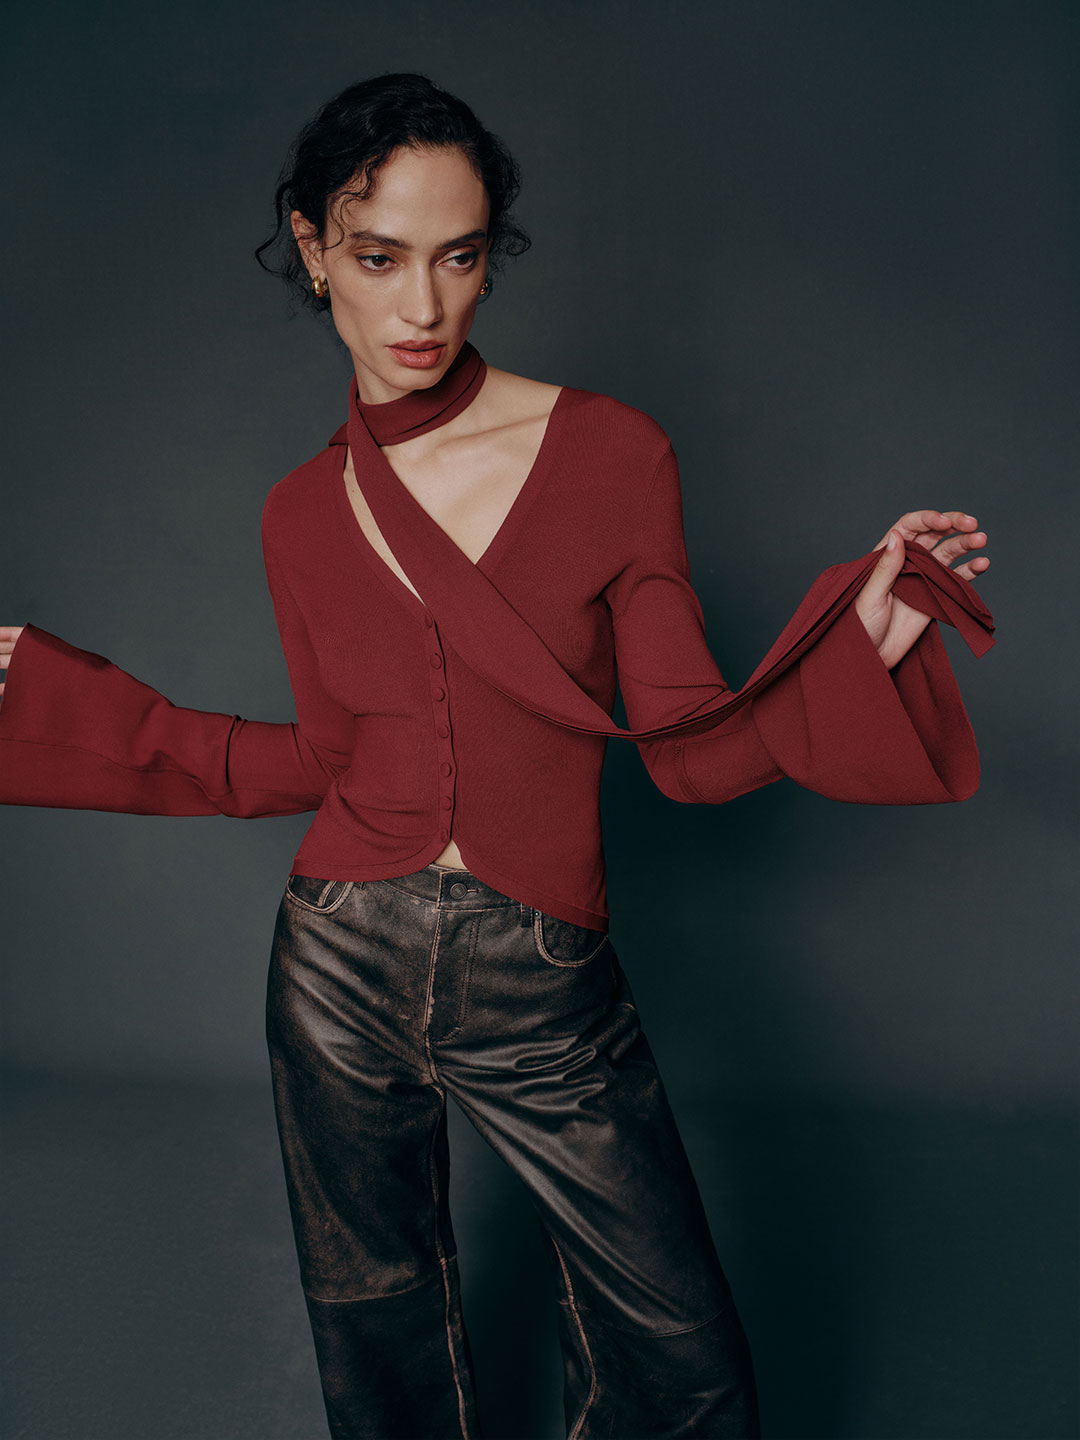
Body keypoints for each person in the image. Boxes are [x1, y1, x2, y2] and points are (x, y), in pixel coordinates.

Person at [0, 72, 994, 1440]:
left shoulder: (613, 453)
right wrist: (72, 702)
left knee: (680, 1359)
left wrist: (857, 641)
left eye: (458, 257)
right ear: (313, 251)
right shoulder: (301, 512)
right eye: (379, 258)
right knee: (380, 1340)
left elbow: (692, 757)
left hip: (541, 977)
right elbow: (317, 760)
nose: (422, 306)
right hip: (336, 962)